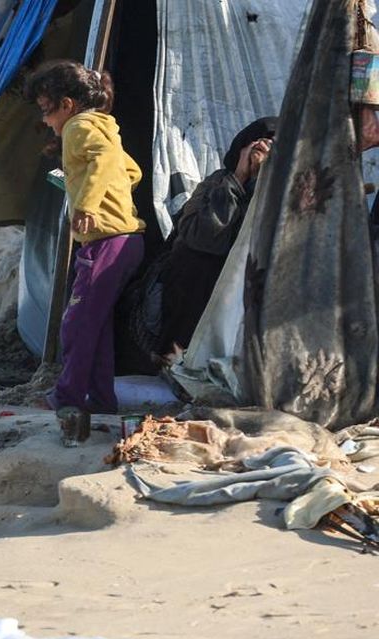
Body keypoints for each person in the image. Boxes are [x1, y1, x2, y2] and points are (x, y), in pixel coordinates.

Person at [24, 60, 146, 415]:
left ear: (67, 105)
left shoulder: (78, 127)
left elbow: (105, 159)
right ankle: (102, 400)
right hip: (127, 242)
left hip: (105, 242)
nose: (46, 122)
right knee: (97, 325)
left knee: (76, 324)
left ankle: (68, 397)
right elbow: (131, 170)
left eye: (47, 112)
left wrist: (88, 203)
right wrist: (86, 188)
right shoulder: (105, 127)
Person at [156, 117, 277, 356]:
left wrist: (262, 182)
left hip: (245, 299)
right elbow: (201, 237)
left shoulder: (281, 196)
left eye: (273, 145)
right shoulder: (216, 182)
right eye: (257, 142)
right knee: (197, 262)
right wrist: (238, 179)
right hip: (192, 291)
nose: (263, 147)